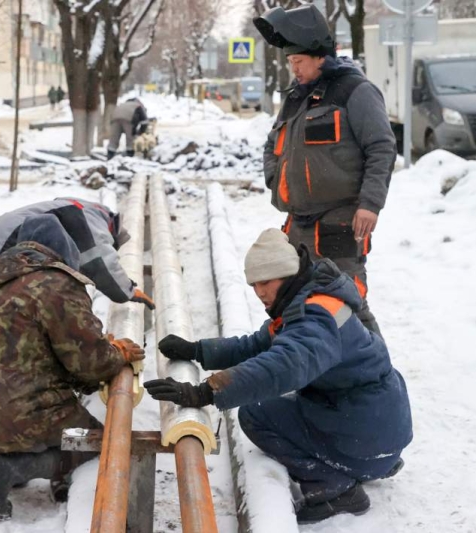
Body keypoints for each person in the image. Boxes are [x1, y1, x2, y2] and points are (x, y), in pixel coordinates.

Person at [144, 228, 412, 524]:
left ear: (285, 275)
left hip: (369, 434)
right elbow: (257, 346)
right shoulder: (309, 300)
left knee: (256, 414)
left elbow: (279, 366)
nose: (259, 292)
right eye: (253, 284)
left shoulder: (315, 319)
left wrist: (204, 393)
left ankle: (335, 488)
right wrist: (197, 350)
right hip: (379, 426)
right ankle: (370, 460)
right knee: (282, 396)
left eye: (265, 282)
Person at [0, 214, 145, 521]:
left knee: (22, 424)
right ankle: (6, 468)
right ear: (62, 250)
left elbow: (32, 350)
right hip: (14, 409)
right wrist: (117, 352)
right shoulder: (57, 284)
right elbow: (91, 363)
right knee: (93, 443)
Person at [254, 4, 397, 335]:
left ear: (319, 55)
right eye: (291, 63)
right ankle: (313, 378)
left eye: (299, 62)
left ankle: (378, 379)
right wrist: (276, 179)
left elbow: (381, 147)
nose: (295, 70)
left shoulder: (355, 92)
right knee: (295, 306)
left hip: (339, 223)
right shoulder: (296, 98)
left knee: (347, 307)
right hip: (297, 226)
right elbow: (272, 144)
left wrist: (370, 204)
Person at [0, 197, 155, 308]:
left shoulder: (69, 207)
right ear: (112, 227)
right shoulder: (92, 216)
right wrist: (127, 291)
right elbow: (99, 261)